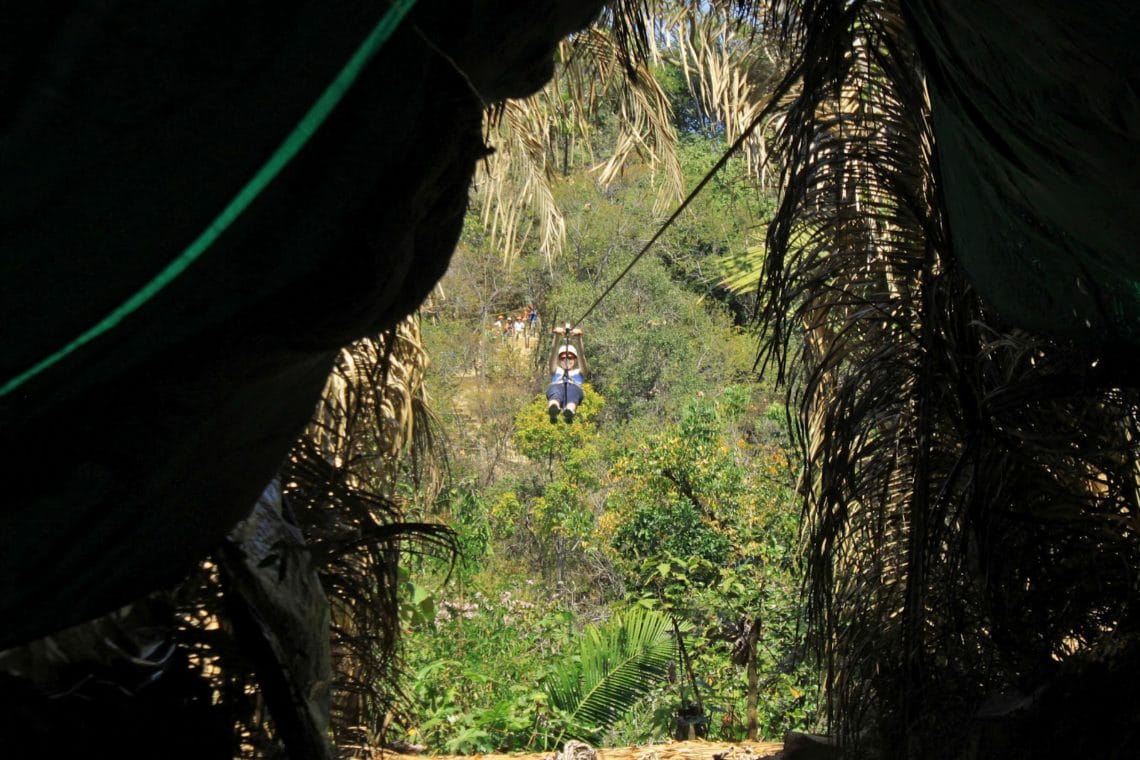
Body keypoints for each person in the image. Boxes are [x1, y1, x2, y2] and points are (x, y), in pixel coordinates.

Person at [546, 325, 586, 423]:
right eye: (563, 357)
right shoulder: (556, 371)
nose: (566, 359)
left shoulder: (579, 373)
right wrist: (556, 337)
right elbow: (552, 355)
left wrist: (579, 339)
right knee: (555, 391)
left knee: (573, 394)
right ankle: (553, 408)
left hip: (573, 388)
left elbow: (582, 356)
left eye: (570, 357)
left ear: (575, 360)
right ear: (559, 360)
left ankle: (569, 411)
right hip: (557, 386)